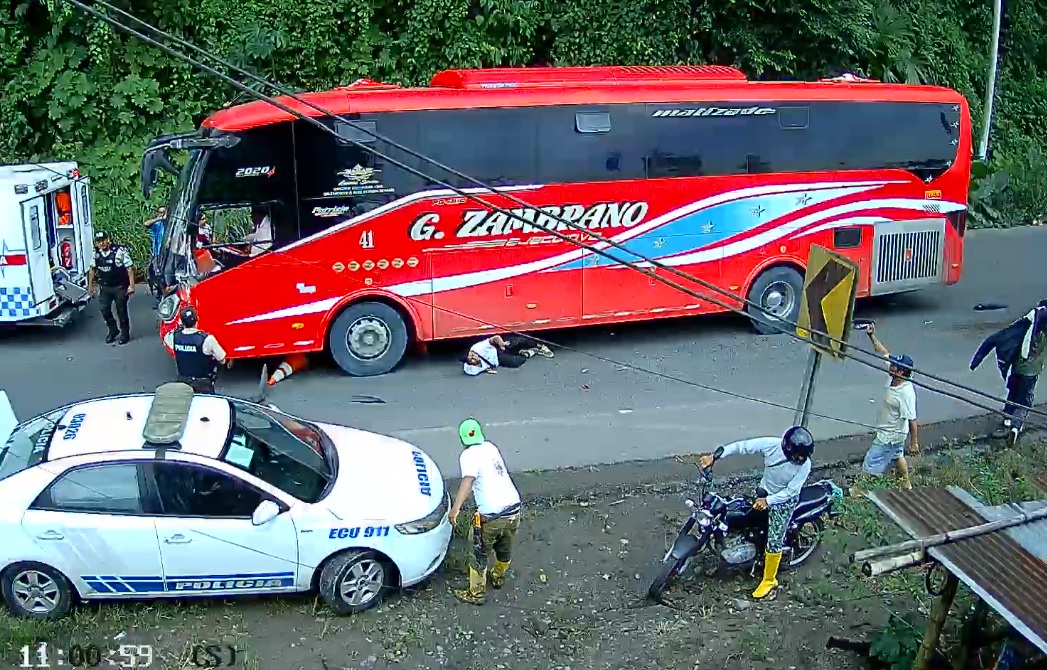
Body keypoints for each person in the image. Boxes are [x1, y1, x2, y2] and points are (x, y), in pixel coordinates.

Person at [693, 426, 815, 600]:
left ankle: (769, 580)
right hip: (764, 492)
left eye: (803, 457)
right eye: (797, 456)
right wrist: (716, 456)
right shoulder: (771, 445)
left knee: (774, 540)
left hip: (783, 502)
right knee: (742, 516)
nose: (800, 460)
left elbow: (791, 491)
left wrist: (769, 502)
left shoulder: (805, 466)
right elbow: (744, 446)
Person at [448, 418, 522, 605]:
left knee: (478, 552)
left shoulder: (468, 455)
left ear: (462, 439)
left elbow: (468, 481)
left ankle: (476, 593)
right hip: (514, 509)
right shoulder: (490, 447)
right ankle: (497, 576)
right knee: (505, 546)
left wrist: (455, 509)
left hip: (492, 516)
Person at [971, 300, 1047, 444]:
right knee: (1024, 401)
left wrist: (976, 362)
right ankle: (1015, 428)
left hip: (1017, 368)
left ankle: (1006, 420)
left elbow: (997, 338)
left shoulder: (1025, 327)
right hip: (1031, 373)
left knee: (1012, 394)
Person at [860, 324, 919, 489]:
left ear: (902, 372)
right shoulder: (894, 374)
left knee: (871, 461)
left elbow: (912, 420)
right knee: (897, 455)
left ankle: (860, 490)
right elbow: (883, 352)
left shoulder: (906, 393)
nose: (891, 366)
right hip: (892, 430)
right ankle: (906, 484)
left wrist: (914, 443)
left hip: (890, 434)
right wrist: (872, 336)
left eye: (895, 366)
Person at [162, 306, 228, 393]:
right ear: (197, 320)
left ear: (181, 322)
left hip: (184, 382)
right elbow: (222, 359)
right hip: (203, 384)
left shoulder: (173, 337)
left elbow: (167, 339)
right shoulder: (207, 339)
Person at [87, 231, 135, 345]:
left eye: (103, 240)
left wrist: (132, 285)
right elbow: (92, 270)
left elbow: (130, 268)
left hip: (120, 287)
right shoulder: (96, 254)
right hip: (105, 287)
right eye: (99, 241)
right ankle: (113, 330)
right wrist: (90, 287)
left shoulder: (119, 251)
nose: (102, 243)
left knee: (121, 311)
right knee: (104, 309)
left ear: (108, 239)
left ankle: (125, 333)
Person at [461, 335, 554, 376]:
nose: (474, 358)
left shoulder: (478, 348)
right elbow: (480, 369)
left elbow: (495, 338)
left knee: (519, 341)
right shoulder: (471, 371)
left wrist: (501, 344)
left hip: (498, 349)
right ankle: (527, 352)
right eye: (472, 360)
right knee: (517, 362)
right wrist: (486, 370)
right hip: (498, 360)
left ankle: (540, 346)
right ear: (469, 363)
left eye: (473, 355)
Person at [143, 207, 166, 303]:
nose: (162, 214)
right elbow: (146, 223)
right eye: (160, 212)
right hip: (157, 253)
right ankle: (160, 296)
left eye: (164, 212)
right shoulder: (156, 224)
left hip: (168, 253)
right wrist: (158, 218)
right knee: (157, 275)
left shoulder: (170, 224)